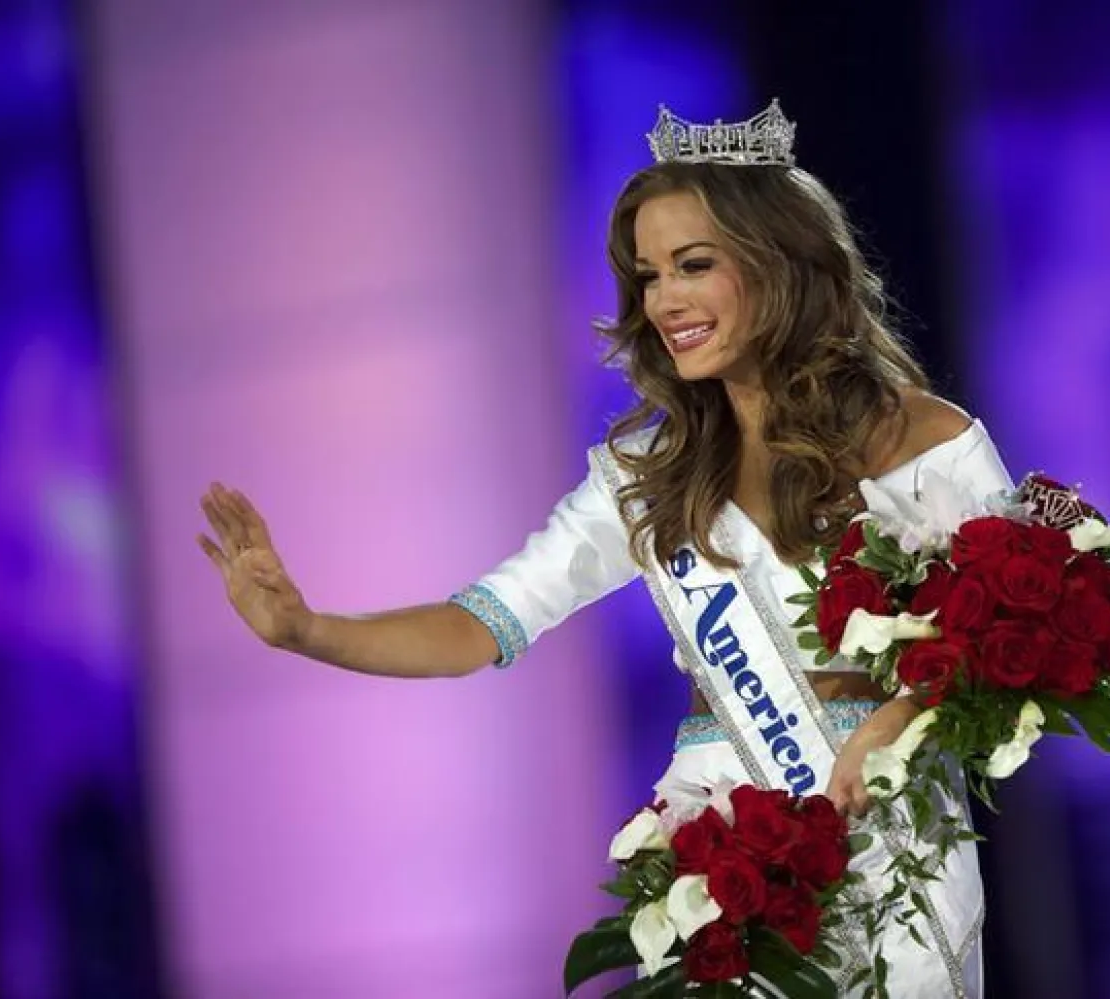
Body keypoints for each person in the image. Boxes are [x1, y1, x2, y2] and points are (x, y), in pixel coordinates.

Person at [197, 101, 1014, 998]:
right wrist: (308, 630)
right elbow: (482, 624)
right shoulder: (646, 474)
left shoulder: (923, 440)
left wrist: (897, 717)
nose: (663, 300)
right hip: (729, 856)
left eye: (693, 266)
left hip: (894, 837)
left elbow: (1024, 645)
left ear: (781, 264)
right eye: (648, 274)